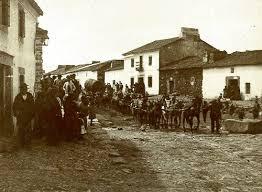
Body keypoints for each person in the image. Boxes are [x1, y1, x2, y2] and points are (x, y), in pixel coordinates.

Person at [13, 83, 35, 148]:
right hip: (21, 117)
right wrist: (16, 113)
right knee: (21, 130)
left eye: (25, 88)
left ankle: (28, 144)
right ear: (20, 89)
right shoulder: (18, 97)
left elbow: (33, 105)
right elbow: (14, 106)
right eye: (22, 88)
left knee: (28, 130)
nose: (24, 90)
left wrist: (32, 114)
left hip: (28, 116)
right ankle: (21, 143)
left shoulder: (30, 95)